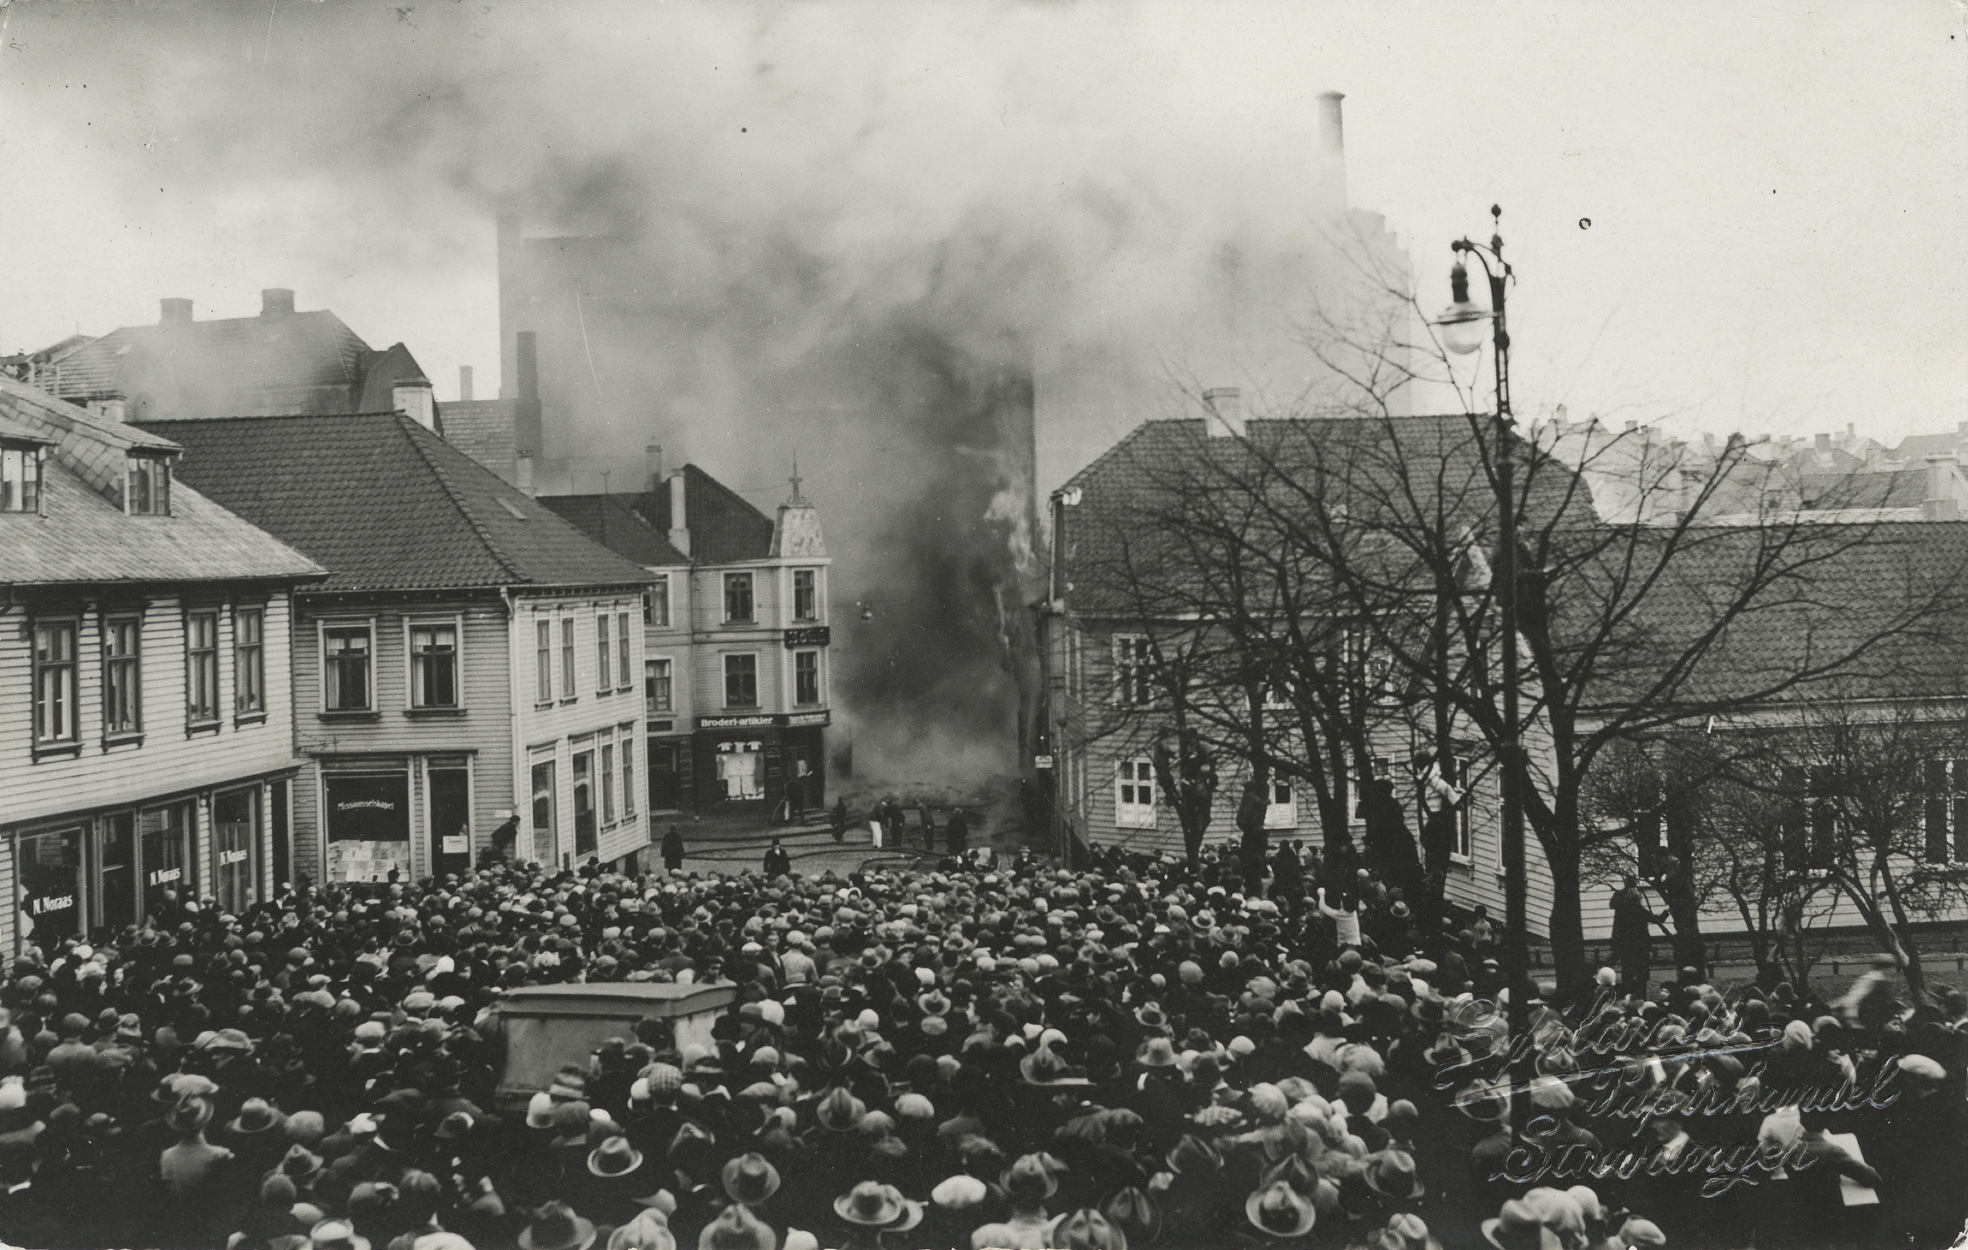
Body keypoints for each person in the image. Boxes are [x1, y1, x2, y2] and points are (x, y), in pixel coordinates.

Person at [1608, 874, 1663, 996]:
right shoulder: (1640, 910)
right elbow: (1657, 919)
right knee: (1641, 975)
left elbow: (1612, 906)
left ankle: (1628, 996)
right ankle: (1641, 996)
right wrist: (1667, 911)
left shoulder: (1621, 909)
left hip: (1626, 947)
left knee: (1627, 972)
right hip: (1641, 947)